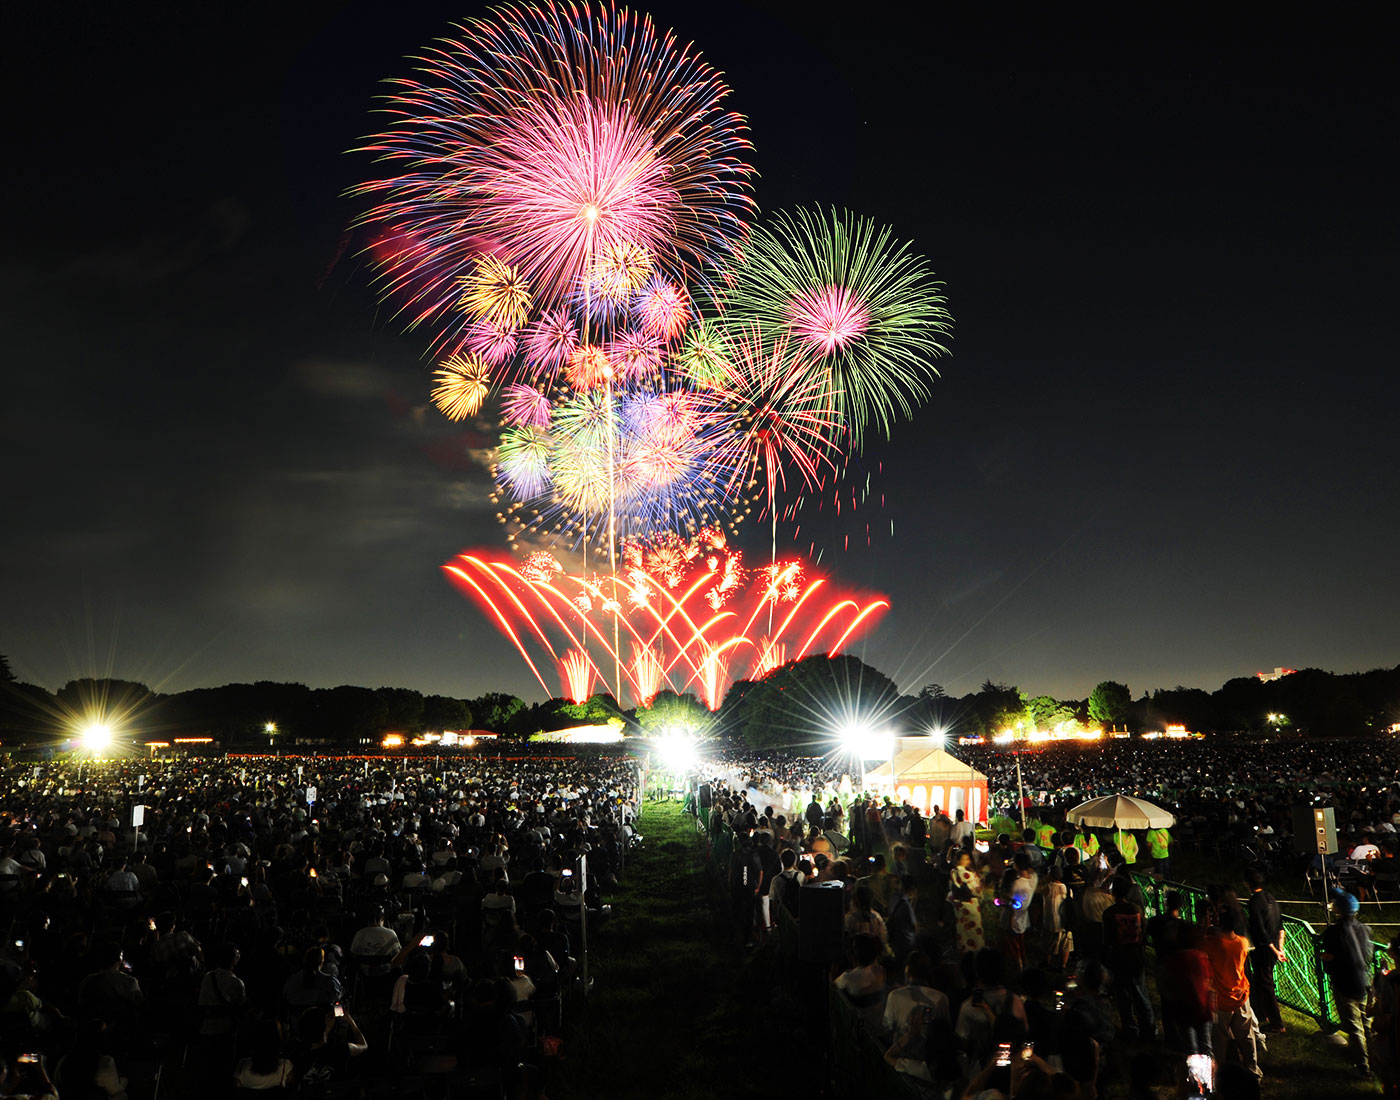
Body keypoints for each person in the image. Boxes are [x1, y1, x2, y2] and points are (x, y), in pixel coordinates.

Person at [1203, 905, 1261, 1080]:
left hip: (1221, 999)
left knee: (1219, 1039)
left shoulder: (1212, 944)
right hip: (1241, 995)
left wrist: (1205, 926)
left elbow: (1200, 946)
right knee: (1246, 1035)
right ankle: (1253, 1071)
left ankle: (1220, 1075)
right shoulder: (1242, 942)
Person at [1322, 887, 1375, 1078]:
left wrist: (1325, 959)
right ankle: (1376, 1061)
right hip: (1366, 983)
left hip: (1345, 985)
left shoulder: (1333, 932)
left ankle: (1363, 1067)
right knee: (1368, 1026)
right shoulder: (1365, 929)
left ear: (1339, 909)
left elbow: (1329, 957)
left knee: (1354, 1028)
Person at [1101, 876, 1154, 1041]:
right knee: (1141, 995)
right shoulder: (1137, 909)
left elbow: (1107, 939)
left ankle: (1131, 1030)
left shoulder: (1109, 913)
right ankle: (1149, 1030)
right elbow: (1144, 933)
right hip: (1136, 958)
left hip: (1119, 959)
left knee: (1123, 997)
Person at [1244, 868, 1285, 1034]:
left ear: (1247, 884)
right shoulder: (1271, 898)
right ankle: (1263, 1014)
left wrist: (1275, 950)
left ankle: (1277, 1023)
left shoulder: (1254, 902)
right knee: (1263, 982)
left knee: (1266, 985)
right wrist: (1280, 948)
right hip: (1273, 947)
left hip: (1264, 949)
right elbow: (1280, 925)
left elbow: (1260, 930)